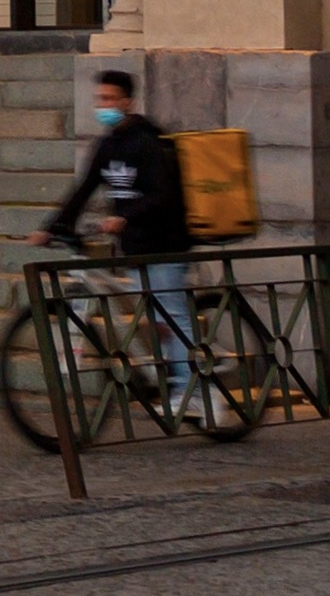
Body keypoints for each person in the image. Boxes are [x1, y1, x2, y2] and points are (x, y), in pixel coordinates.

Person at [40, 70, 198, 409]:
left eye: (110, 100)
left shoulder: (149, 142)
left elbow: (162, 194)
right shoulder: (107, 145)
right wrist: (52, 226)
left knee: (171, 313)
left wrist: (125, 216)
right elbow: (83, 189)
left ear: (128, 102)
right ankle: (168, 377)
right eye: (100, 100)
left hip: (165, 242)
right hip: (136, 244)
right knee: (157, 318)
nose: (104, 106)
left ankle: (193, 392)